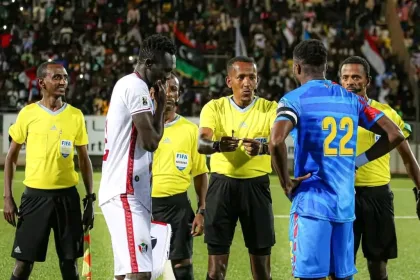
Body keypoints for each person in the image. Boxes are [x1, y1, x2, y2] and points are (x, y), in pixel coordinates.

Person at [270, 39, 405, 280]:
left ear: (296, 68)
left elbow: (277, 140)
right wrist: (357, 161)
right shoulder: (351, 100)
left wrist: (286, 184)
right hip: (344, 206)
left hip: (312, 205)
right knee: (341, 276)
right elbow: (395, 134)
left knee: (311, 276)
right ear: (325, 66)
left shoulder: (294, 99)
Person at [3, 61, 95, 280]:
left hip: (67, 198)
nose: (63, 81)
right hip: (35, 198)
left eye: (64, 77)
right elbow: (11, 157)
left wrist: (90, 199)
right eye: (56, 77)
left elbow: (84, 159)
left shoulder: (75, 115)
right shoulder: (28, 113)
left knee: (69, 264)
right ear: (41, 82)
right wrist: (8, 197)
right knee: (23, 265)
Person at [98, 34, 176, 280]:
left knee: (125, 273)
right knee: (141, 272)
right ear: (149, 63)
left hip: (129, 191)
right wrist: (161, 106)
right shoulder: (135, 87)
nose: (167, 77)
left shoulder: (135, 86)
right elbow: (150, 142)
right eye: (165, 70)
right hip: (125, 191)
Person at [339, 56, 420, 280]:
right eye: (345, 77)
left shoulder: (386, 114)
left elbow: (407, 158)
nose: (350, 82)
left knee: (378, 266)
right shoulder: (331, 115)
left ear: (367, 80)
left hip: (377, 195)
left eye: (356, 77)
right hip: (343, 195)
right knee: (339, 265)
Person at [198, 56, 277, 280]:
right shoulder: (214, 107)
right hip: (222, 187)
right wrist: (217, 145)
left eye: (251, 77)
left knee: (262, 271)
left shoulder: (270, 108)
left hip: (257, 188)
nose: (246, 83)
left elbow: (278, 144)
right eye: (240, 77)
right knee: (215, 272)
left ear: (257, 80)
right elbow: (202, 143)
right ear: (228, 81)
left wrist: (262, 148)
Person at [151, 73, 209, 280]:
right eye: (163, 88)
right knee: (141, 266)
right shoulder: (142, 128)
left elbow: (201, 173)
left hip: (178, 207)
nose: (168, 93)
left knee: (182, 264)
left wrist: (202, 210)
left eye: (173, 89)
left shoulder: (190, 130)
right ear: (153, 92)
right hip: (145, 206)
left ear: (179, 95)